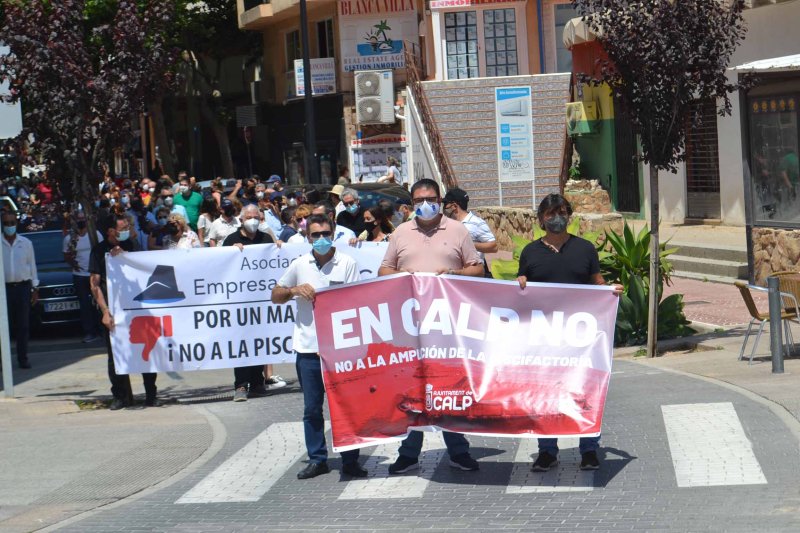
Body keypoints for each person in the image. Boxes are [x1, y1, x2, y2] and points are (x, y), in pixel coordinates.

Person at [378, 178, 483, 474]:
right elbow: (383, 270)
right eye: (419, 200)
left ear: (440, 200)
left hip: (447, 326)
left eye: (431, 198)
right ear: (411, 204)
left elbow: (477, 268)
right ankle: (409, 453)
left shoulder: (458, 230)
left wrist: (453, 272)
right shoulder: (400, 233)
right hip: (410, 330)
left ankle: (458, 450)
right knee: (410, 390)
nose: (425, 204)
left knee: (447, 386)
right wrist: (401, 275)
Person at [516, 193, 622, 472]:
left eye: (561, 212)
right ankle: (547, 451)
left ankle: (589, 449)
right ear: (541, 219)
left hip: (581, 339)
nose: (556, 218)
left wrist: (610, 291)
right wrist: (520, 282)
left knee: (585, 392)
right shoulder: (530, 252)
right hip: (545, 339)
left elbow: (596, 282)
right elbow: (522, 290)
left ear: (569, 216)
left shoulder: (585, 249)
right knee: (544, 396)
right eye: (550, 213)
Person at [271, 214, 367, 480]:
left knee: (346, 406)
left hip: (340, 351)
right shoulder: (300, 264)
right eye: (316, 235)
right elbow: (275, 295)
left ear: (333, 232)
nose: (321, 239)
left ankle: (350, 460)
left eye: (326, 233)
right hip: (308, 350)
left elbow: (357, 300)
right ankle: (317, 459)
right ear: (307, 237)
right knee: (312, 409)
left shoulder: (347, 263)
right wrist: (293, 291)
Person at [90, 213, 161, 410]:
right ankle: (119, 396)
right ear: (111, 231)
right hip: (113, 312)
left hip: (137, 311)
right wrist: (105, 311)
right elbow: (94, 284)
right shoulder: (98, 251)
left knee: (146, 351)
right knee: (115, 356)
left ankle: (151, 394)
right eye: (122, 228)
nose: (126, 231)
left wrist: (126, 257)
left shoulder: (133, 246)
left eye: (127, 227)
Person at [223, 204, 286, 401]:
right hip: (239, 301)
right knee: (242, 343)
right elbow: (221, 266)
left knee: (259, 342)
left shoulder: (265, 238)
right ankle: (241, 385)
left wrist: (280, 249)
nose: (253, 220)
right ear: (241, 219)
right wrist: (230, 252)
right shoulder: (231, 239)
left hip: (260, 301)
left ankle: (258, 382)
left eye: (256, 217)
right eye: (249, 217)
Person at [2, 210, 38, 369]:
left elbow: (32, 266)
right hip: (3, 290)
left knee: (23, 326)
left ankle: (23, 358)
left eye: (12, 223)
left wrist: (35, 287)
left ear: (16, 224)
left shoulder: (26, 243)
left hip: (22, 288)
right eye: (6, 223)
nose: (9, 226)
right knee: (3, 326)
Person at [63, 209, 103, 343]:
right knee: (85, 305)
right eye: (78, 219)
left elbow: (102, 252)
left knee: (99, 303)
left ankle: (102, 330)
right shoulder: (69, 239)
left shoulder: (95, 235)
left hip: (94, 274)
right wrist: (74, 264)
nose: (81, 221)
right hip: (79, 275)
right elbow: (66, 255)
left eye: (82, 219)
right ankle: (89, 332)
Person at [443, 187, 497, 277]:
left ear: (454, 206)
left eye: (445, 204)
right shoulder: (447, 223)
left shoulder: (476, 223)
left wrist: (467, 245)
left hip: (472, 274)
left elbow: (493, 247)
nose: (444, 208)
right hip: (451, 273)